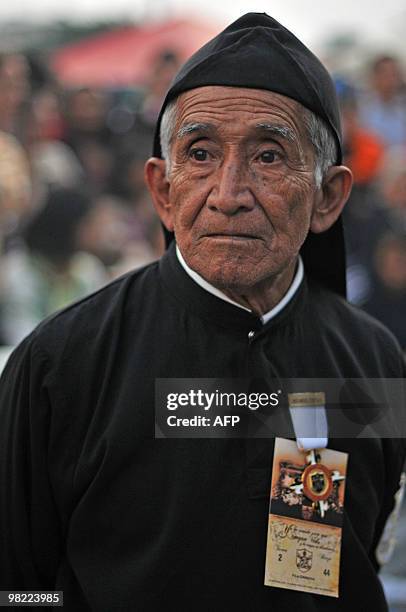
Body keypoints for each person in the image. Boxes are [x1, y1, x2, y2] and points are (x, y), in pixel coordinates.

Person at [0, 13, 405, 611]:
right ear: (163, 191)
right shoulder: (63, 366)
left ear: (328, 197)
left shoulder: (371, 362)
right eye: (201, 154)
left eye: (269, 156)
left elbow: (352, 556)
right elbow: (17, 587)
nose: (228, 193)